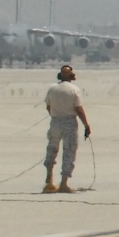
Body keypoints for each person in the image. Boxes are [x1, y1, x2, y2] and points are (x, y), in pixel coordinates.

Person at [42, 63, 91, 193]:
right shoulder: (74, 89)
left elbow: (48, 106)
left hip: (55, 122)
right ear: (72, 76)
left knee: (52, 149)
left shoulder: (52, 89)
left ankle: (49, 180)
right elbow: (79, 109)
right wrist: (86, 125)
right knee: (69, 151)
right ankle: (64, 183)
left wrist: (55, 115)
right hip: (69, 122)